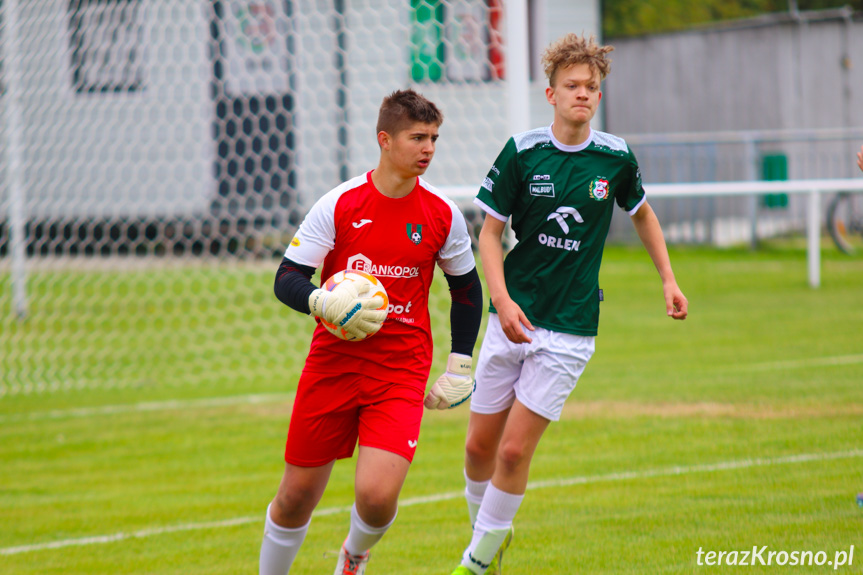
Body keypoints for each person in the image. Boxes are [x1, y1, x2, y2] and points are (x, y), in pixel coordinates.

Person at [449, 34, 688, 575]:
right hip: (511, 319)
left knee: (512, 452)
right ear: (552, 94)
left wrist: (668, 280)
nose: (583, 94)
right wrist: (503, 302)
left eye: (591, 87)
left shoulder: (615, 157)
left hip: (571, 328)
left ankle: (476, 563)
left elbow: (643, 214)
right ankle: (485, 540)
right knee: (477, 449)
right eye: (572, 86)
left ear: (599, 96)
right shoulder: (522, 151)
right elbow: (489, 235)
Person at [259, 89, 483, 575]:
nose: (428, 148)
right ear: (385, 140)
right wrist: (322, 300)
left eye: (433, 138)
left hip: (400, 371)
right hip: (332, 365)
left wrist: (461, 364)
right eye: (416, 137)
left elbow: (467, 292)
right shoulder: (339, 203)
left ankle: (354, 555)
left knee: (377, 498)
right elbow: (287, 278)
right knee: (295, 497)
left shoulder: (443, 214)